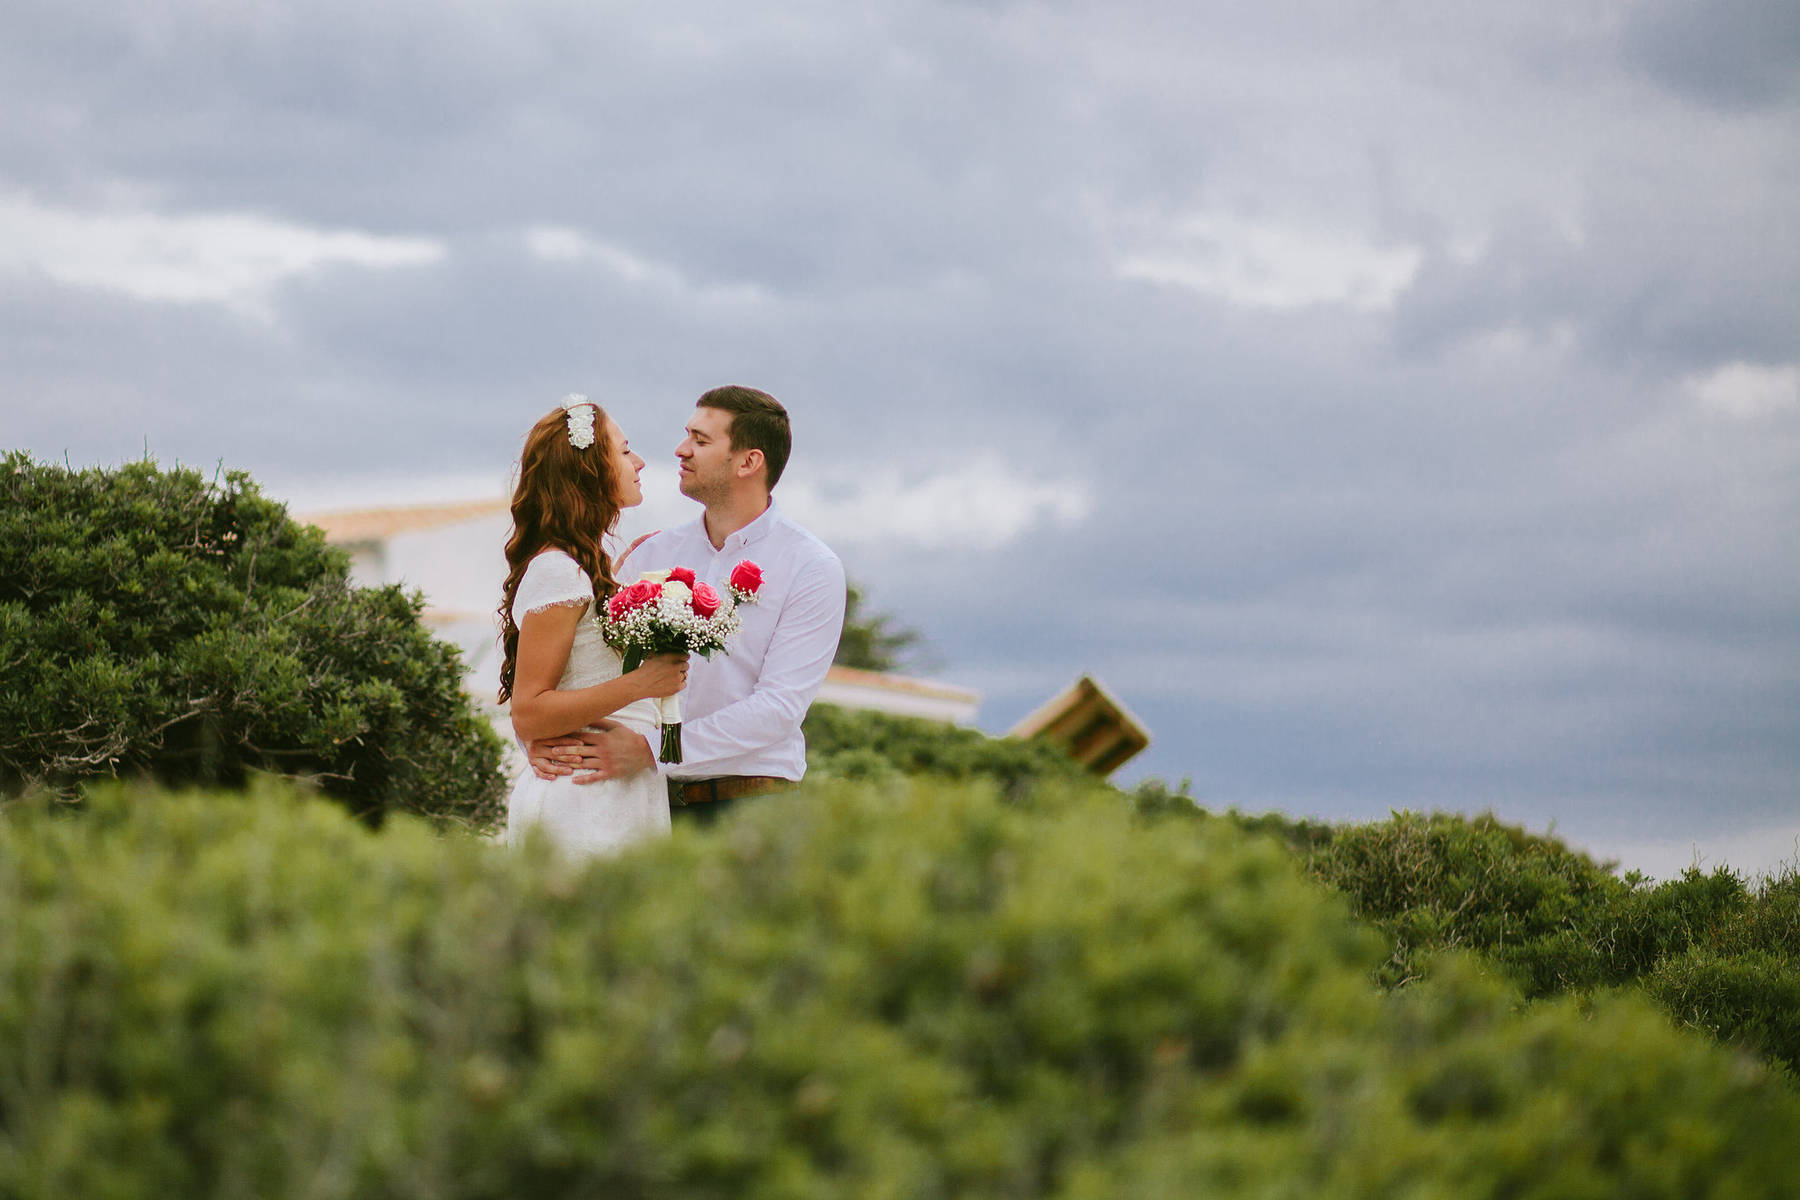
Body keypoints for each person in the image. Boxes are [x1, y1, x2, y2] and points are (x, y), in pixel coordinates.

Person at [528, 385, 846, 823]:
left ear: (749, 462)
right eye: (687, 436)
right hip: (638, 802)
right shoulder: (648, 556)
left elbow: (778, 708)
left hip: (749, 807)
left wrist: (652, 751)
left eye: (701, 440)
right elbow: (584, 663)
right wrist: (543, 737)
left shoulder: (810, 567)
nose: (681, 450)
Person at [498, 396, 689, 856]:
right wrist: (643, 683)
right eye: (624, 451)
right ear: (589, 471)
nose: (639, 462)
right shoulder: (558, 572)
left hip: (617, 793)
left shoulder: (592, 568)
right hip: (581, 800)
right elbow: (530, 711)